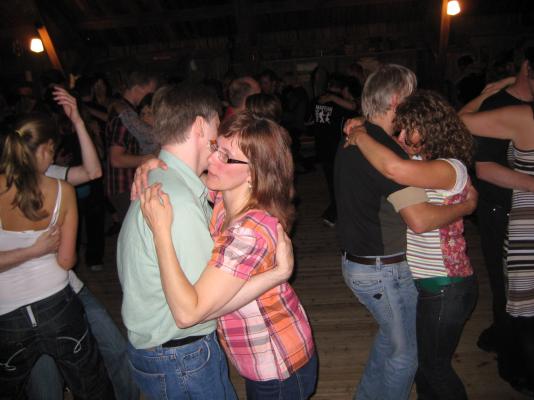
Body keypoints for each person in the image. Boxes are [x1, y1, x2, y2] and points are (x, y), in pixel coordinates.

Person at [118, 84, 296, 399]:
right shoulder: (179, 202)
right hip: (180, 357)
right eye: (216, 125)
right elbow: (192, 310)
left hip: (172, 352)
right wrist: (277, 275)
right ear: (201, 126)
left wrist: (150, 160)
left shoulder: (173, 183)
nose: (218, 139)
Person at [336, 64, 477, 400]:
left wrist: (360, 129)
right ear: (398, 101)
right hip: (384, 270)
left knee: (394, 343)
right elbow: (420, 219)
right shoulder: (384, 151)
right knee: (407, 355)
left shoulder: (356, 140)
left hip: (359, 262)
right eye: (414, 99)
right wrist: (467, 206)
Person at [0, 112, 113, 398]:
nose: (52, 158)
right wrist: (35, 251)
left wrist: (23, 252)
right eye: (51, 151)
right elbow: (66, 261)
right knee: (91, 385)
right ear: (43, 149)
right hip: (56, 305)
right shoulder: (61, 191)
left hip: (7, 313)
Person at [460, 50, 534, 393]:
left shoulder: (519, 112)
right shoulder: (501, 106)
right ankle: (511, 362)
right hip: (502, 211)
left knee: (519, 299)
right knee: (508, 293)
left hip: (523, 215)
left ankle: (511, 356)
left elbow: (459, 121)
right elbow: (484, 168)